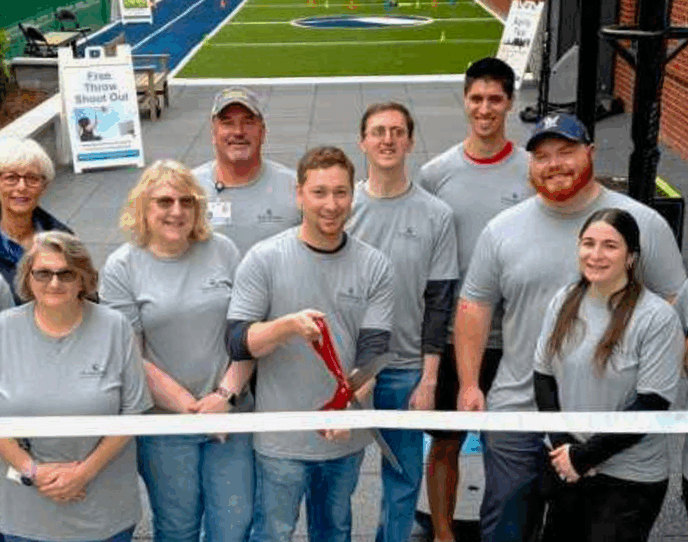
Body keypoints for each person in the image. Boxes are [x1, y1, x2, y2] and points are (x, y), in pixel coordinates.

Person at [455, 112, 686, 542]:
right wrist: (470, 384)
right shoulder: (502, 230)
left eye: (566, 151)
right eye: (542, 156)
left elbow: (677, 311)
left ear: (590, 153)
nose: (554, 163)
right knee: (507, 530)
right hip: (518, 418)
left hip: (606, 430)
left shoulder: (643, 225)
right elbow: (474, 305)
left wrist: (600, 441)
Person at [226, 146, 394, 542]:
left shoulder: (375, 266)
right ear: (298, 194)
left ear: (353, 196)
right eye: (319, 192)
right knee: (273, 532)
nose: (331, 204)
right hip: (280, 438)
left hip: (342, 436)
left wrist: (341, 409)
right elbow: (237, 341)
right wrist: (285, 326)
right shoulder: (263, 259)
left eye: (340, 192)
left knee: (334, 531)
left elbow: (373, 353)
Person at [100, 160, 253, 542]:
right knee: (177, 529)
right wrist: (194, 411)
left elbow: (246, 336)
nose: (177, 211)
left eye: (187, 201)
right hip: (166, 424)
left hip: (231, 413)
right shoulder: (122, 266)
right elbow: (131, 358)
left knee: (233, 527)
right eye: (164, 201)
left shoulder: (224, 250)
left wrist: (224, 398)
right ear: (143, 208)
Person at [417, 57, 531, 542]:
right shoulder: (435, 173)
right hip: (453, 339)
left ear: (510, 103)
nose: (485, 109)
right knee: (444, 445)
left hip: (516, 340)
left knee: (511, 452)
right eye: (477, 99)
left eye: (495, 99)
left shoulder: (532, 171)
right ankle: (443, 533)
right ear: (465, 101)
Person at [534, 208, 683, 542]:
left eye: (610, 246)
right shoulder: (563, 301)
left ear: (631, 257)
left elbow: (651, 405)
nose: (596, 255)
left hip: (628, 479)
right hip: (567, 466)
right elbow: (543, 377)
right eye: (588, 244)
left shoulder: (656, 318)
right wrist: (565, 449)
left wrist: (585, 457)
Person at [348, 102, 459, 542]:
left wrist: (429, 378)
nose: (388, 140)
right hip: (349, 369)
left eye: (397, 131)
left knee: (402, 480)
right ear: (363, 142)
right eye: (378, 131)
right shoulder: (342, 207)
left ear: (410, 141)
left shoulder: (436, 215)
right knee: (339, 477)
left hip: (406, 368)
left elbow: (439, 302)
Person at [0, 231, 152, 542]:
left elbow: (133, 411)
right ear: (27, 279)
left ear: (83, 279)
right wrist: (33, 471)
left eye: (66, 273)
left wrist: (83, 473)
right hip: (27, 509)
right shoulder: (4, 330)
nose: (54, 283)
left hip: (104, 508)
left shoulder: (114, 327)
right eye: (43, 273)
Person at [193, 86, 301, 257]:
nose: (238, 132)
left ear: (263, 132)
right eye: (228, 123)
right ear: (213, 133)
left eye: (248, 122)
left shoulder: (296, 187)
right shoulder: (188, 189)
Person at [0, 137, 72, 304]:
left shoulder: (63, 239)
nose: (21, 187)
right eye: (11, 178)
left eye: (32, 179)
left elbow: (86, 296)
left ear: (44, 187)